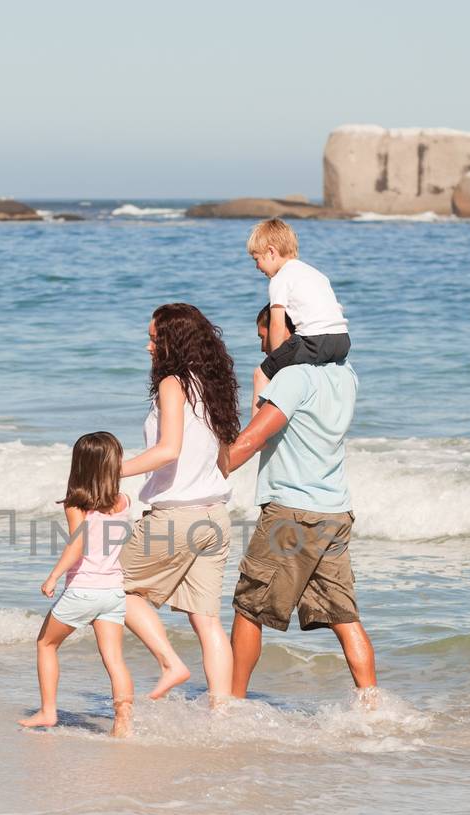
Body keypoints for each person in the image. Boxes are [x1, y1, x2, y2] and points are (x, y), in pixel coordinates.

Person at [221, 328, 378, 701]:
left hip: (292, 513)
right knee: (344, 616)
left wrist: (202, 473)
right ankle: (373, 705)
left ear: (288, 334)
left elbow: (252, 438)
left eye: (265, 335)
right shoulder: (345, 374)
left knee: (249, 607)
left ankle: (230, 703)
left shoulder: (294, 378)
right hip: (335, 512)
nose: (262, 344)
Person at [119, 303, 240, 706]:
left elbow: (168, 451)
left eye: (155, 339)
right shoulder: (214, 386)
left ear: (173, 342)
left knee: (112, 586)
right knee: (208, 623)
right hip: (215, 518)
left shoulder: (173, 384)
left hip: (177, 519)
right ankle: (222, 714)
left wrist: (110, 472)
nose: (148, 346)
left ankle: (171, 663)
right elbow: (226, 460)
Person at [19, 432, 136, 737]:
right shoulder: (124, 502)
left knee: (46, 643)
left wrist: (53, 576)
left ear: (80, 466)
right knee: (114, 659)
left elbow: (77, 546)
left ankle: (47, 710)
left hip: (84, 590)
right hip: (113, 592)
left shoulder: (76, 504)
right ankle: (122, 722)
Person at [247, 217, 350, 410]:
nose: (257, 267)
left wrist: (275, 361)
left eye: (257, 259)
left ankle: (256, 431)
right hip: (343, 341)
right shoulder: (316, 274)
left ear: (271, 252)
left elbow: (276, 323)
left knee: (260, 374)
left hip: (314, 340)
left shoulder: (280, 279)